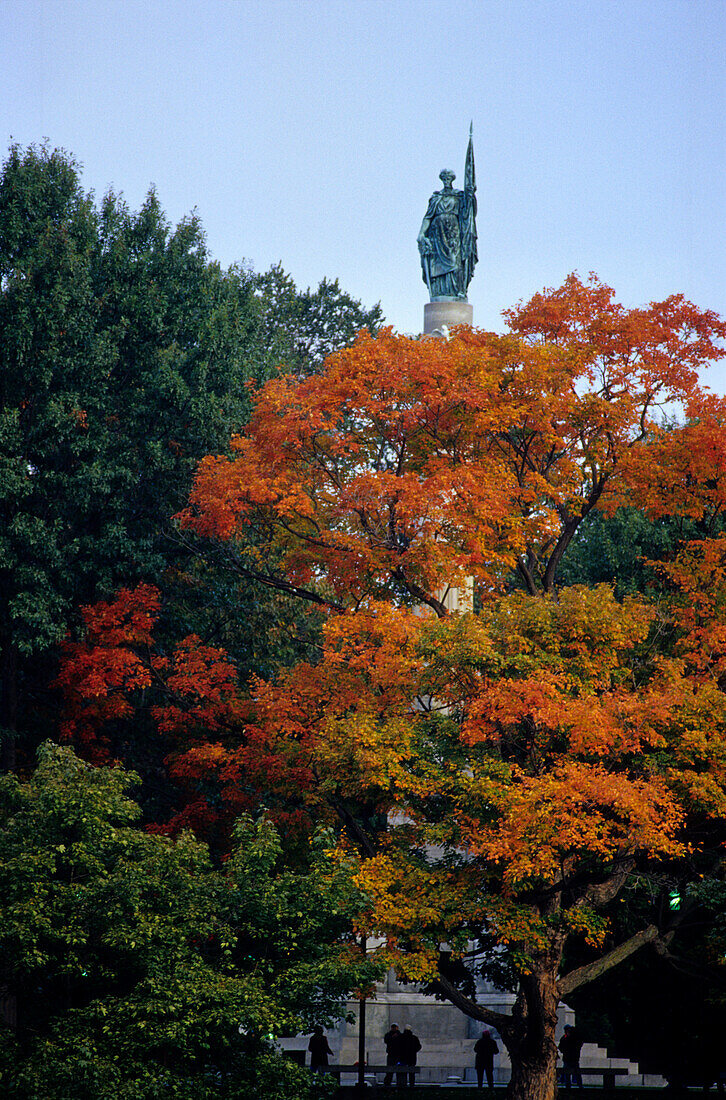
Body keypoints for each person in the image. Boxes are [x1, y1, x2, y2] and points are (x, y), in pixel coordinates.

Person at [417, 128, 477, 302]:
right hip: (437, 233)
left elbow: (468, 212)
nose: (446, 180)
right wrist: (421, 233)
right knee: (437, 266)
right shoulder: (436, 197)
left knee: (455, 260)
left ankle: (457, 290)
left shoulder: (459, 196)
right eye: (444, 178)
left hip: (452, 233)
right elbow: (428, 217)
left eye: (449, 177)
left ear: (453, 179)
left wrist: (470, 194)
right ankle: (440, 292)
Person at [558, 1024, 584, 1089]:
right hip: (568, 1058)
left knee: (576, 1073)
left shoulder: (572, 1038)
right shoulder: (565, 1038)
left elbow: (579, 1044)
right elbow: (561, 1047)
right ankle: (569, 1086)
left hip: (573, 1058)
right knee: (568, 1074)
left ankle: (579, 1085)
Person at [383, 1022, 403, 1086]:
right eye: (393, 1027)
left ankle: (399, 1083)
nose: (394, 1028)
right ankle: (388, 1082)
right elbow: (386, 1041)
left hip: (398, 1055)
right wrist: (392, 1038)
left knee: (399, 1070)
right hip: (391, 1055)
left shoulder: (400, 1035)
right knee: (389, 1070)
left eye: (395, 1027)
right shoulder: (388, 1035)